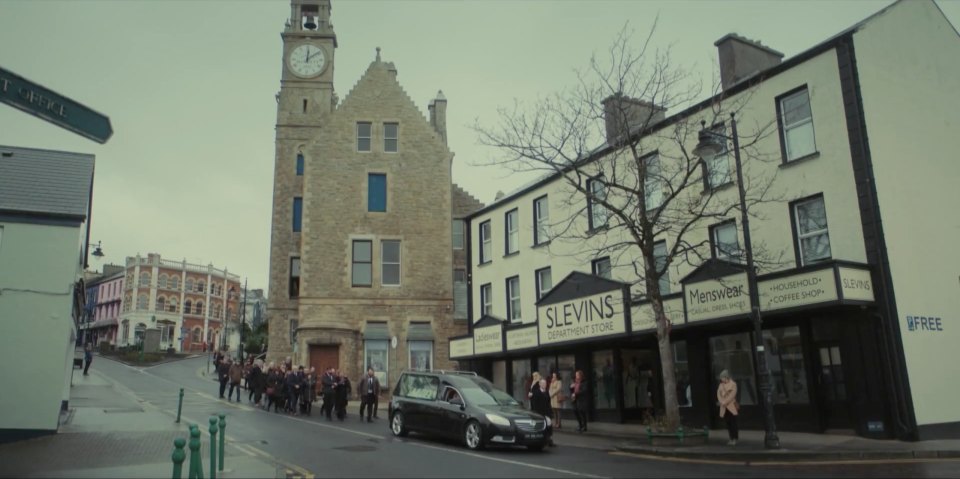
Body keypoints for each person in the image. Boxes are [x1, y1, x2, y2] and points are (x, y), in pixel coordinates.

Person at [530, 378, 555, 447]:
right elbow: (534, 403)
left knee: (549, 425)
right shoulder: (536, 392)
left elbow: (548, 402)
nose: (544, 385)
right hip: (539, 412)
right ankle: (539, 440)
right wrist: (536, 412)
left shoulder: (546, 392)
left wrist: (551, 412)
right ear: (540, 384)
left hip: (547, 412)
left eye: (545, 384)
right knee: (540, 426)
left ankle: (549, 439)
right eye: (543, 383)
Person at [717, 369, 739, 446]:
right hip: (724, 407)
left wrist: (725, 402)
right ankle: (730, 438)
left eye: (722, 377)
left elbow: (732, 395)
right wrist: (721, 401)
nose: (721, 379)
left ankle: (735, 438)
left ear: (726, 377)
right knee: (728, 423)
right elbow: (718, 394)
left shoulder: (733, 384)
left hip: (731, 406)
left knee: (733, 423)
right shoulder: (720, 385)